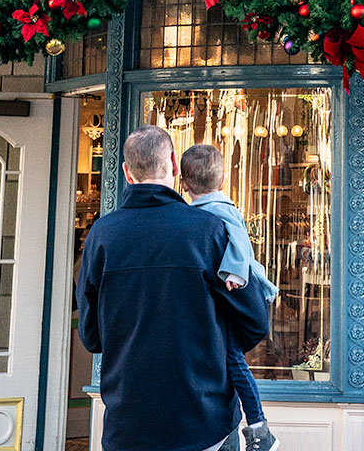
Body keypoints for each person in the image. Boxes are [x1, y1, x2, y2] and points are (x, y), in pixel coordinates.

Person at [76, 125, 271, 451]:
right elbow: (255, 320)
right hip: (204, 421)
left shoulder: (101, 236)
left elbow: (91, 336)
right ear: (174, 165)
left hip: (128, 425)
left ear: (127, 172)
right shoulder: (209, 230)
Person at [180, 143, 279, 451]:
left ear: (182, 184)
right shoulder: (203, 213)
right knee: (228, 361)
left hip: (231, 299)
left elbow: (239, 244)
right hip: (223, 304)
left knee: (234, 360)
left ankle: (260, 428)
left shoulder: (219, 210)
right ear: (222, 178)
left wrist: (234, 273)